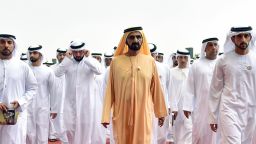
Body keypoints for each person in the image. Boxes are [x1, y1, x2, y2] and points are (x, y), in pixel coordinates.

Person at [101, 26, 167, 144]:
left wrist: (160, 112)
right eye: (131, 37)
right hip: (122, 114)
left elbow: (156, 88)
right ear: (126, 40)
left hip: (143, 113)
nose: (135, 40)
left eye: (138, 37)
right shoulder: (116, 62)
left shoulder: (149, 61)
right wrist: (106, 115)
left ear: (142, 40)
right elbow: (110, 90)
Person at [209, 26, 256, 143]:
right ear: (233, 39)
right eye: (239, 36)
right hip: (229, 109)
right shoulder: (223, 60)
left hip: (251, 111)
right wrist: (213, 116)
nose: (243, 39)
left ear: (250, 37)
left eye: (246, 36)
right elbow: (215, 89)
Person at [54, 40, 104, 144]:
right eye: (75, 52)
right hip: (70, 104)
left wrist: (87, 58)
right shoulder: (68, 63)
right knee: (70, 129)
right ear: (71, 51)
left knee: (86, 131)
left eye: (80, 51)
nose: (77, 54)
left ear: (84, 51)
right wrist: (67, 59)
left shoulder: (89, 62)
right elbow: (57, 73)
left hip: (86, 104)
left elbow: (99, 71)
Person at [0, 34, 37, 144]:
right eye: (2, 42)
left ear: (14, 45)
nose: (6, 45)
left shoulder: (23, 66)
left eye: (9, 42)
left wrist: (21, 101)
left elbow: (32, 88)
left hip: (15, 114)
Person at [183, 37, 219, 144]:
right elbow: (190, 87)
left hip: (220, 106)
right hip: (202, 107)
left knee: (220, 135)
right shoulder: (196, 65)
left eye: (215, 45)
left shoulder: (222, 63)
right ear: (204, 48)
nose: (213, 48)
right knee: (201, 133)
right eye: (210, 45)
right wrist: (187, 106)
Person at [26, 45, 57, 144]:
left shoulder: (48, 71)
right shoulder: (25, 69)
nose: (32, 55)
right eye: (30, 53)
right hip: (27, 107)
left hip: (43, 107)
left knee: (42, 133)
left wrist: (54, 108)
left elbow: (53, 90)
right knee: (28, 133)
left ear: (40, 54)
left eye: (35, 53)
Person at [169, 49, 192, 144]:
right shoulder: (171, 72)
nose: (183, 60)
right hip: (177, 108)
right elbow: (170, 91)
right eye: (181, 57)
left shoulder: (192, 71)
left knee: (190, 129)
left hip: (190, 107)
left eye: (185, 58)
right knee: (177, 132)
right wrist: (173, 107)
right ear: (177, 58)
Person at [150, 43, 171, 144]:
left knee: (162, 135)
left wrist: (169, 105)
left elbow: (167, 88)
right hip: (147, 107)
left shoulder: (165, 68)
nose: (150, 56)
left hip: (162, 105)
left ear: (156, 55)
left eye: (152, 54)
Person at [48, 48, 67, 142]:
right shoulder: (51, 69)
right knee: (53, 115)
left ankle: (65, 136)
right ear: (57, 56)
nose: (62, 57)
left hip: (67, 96)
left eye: (64, 55)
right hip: (54, 96)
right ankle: (52, 134)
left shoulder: (70, 67)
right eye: (60, 55)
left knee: (65, 116)